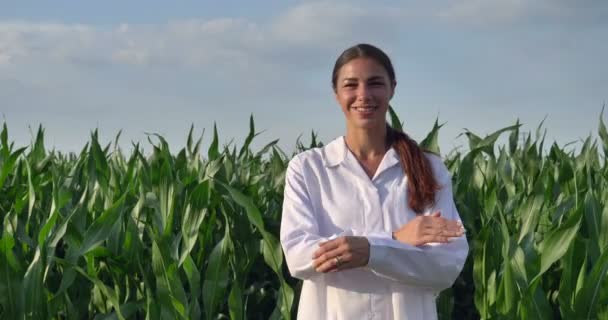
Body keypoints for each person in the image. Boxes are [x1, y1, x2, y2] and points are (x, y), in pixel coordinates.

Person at [280, 43, 469, 319]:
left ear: (392, 88)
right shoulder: (308, 169)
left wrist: (371, 251)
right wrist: (394, 240)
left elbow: (446, 265)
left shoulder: (429, 168)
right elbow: (299, 258)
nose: (363, 95)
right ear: (336, 93)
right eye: (351, 85)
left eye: (375, 83)